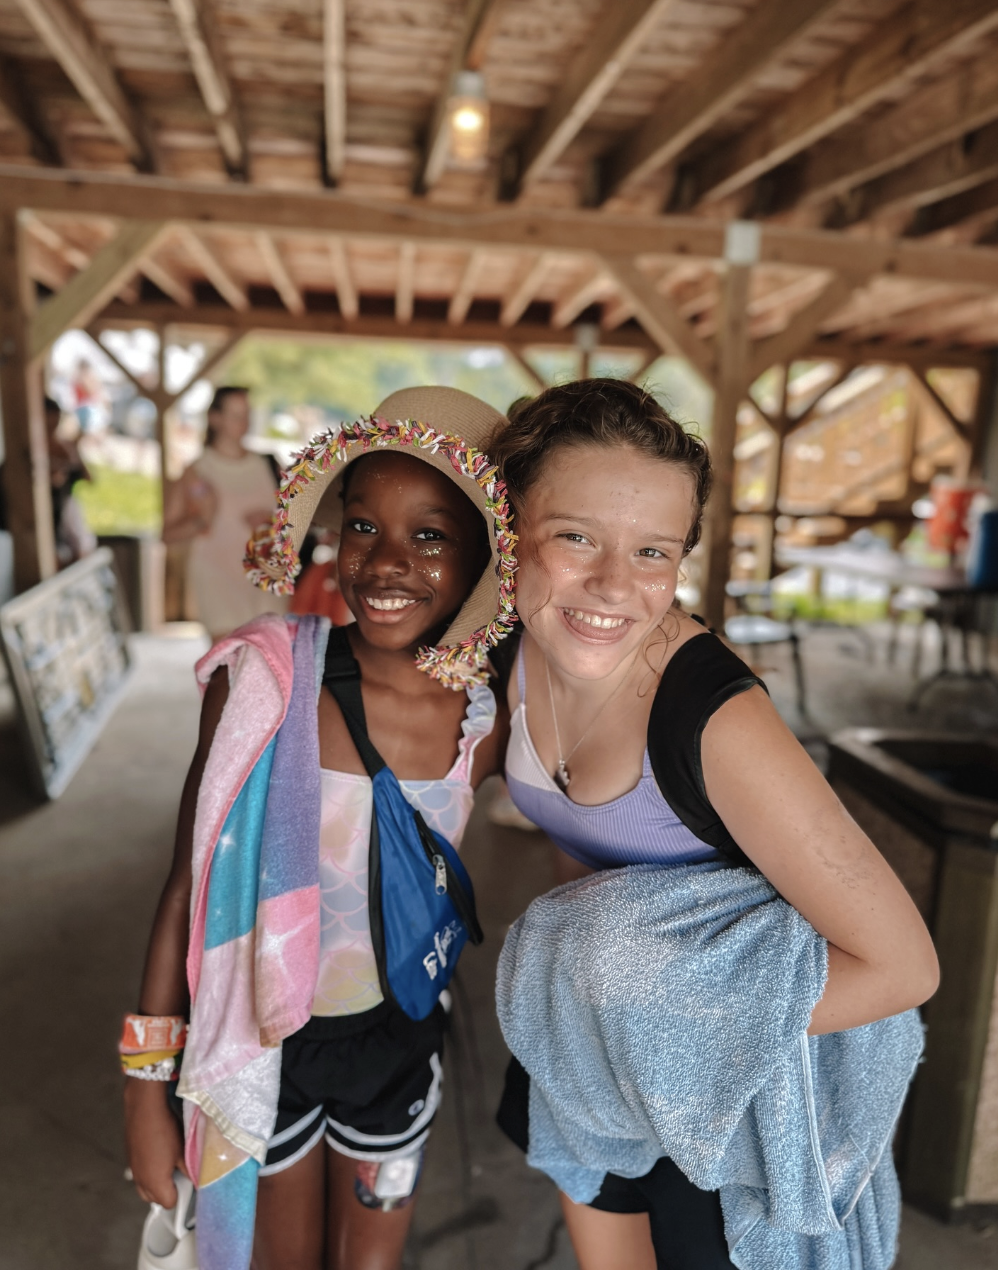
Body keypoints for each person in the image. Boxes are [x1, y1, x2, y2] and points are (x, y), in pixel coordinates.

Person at [486, 379, 939, 1270]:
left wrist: (651, 1020)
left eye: (654, 552)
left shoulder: (710, 717)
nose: (614, 585)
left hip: (741, 1096)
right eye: (575, 536)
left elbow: (904, 968)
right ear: (510, 531)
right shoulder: (511, 647)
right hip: (599, 1064)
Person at [123, 387, 515, 1270]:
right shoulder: (262, 679)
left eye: (431, 535)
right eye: (362, 527)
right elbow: (187, 884)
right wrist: (144, 1091)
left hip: (399, 1040)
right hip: (265, 1042)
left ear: (481, 555)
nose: (385, 562)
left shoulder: (487, 717)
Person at [163, 386, 287, 639]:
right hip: (217, 575)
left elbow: (301, 520)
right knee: (228, 659)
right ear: (215, 418)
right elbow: (167, 534)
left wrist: (271, 521)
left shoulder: (269, 464)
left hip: (265, 577)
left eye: (247, 414)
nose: (243, 422)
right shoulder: (197, 471)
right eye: (235, 415)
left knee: (270, 658)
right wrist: (202, 519)